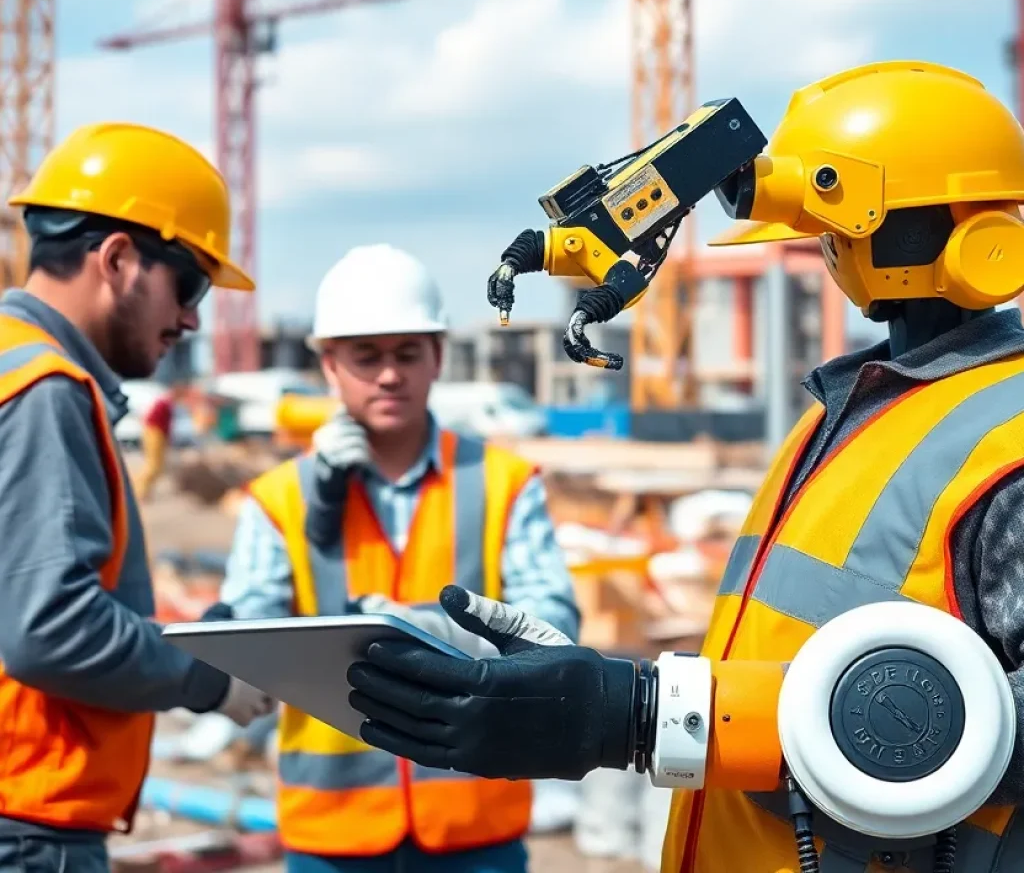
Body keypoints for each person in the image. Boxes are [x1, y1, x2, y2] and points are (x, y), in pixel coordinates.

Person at [343, 61, 1024, 872]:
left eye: (840, 231)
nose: (829, 251)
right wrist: (610, 686)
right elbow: (771, 665)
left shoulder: (1008, 441)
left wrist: (642, 718)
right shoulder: (845, 411)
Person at [220, 243, 580, 873]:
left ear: (437, 356)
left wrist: (423, 632)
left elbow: (554, 629)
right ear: (329, 365)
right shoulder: (279, 499)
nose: (389, 375)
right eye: (367, 356)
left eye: (407, 353)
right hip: (334, 830)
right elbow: (251, 644)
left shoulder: (503, 482)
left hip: (475, 824)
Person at [0, 122, 275, 873]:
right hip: (27, 823)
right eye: (190, 286)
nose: (191, 319)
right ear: (118, 259)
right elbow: (50, 629)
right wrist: (208, 674)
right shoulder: (46, 390)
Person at [135, 384, 177, 501]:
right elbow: (162, 424)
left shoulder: (164, 403)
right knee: (153, 465)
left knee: (156, 466)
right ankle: (139, 491)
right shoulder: (164, 404)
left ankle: (142, 490)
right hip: (155, 434)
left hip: (155, 434)